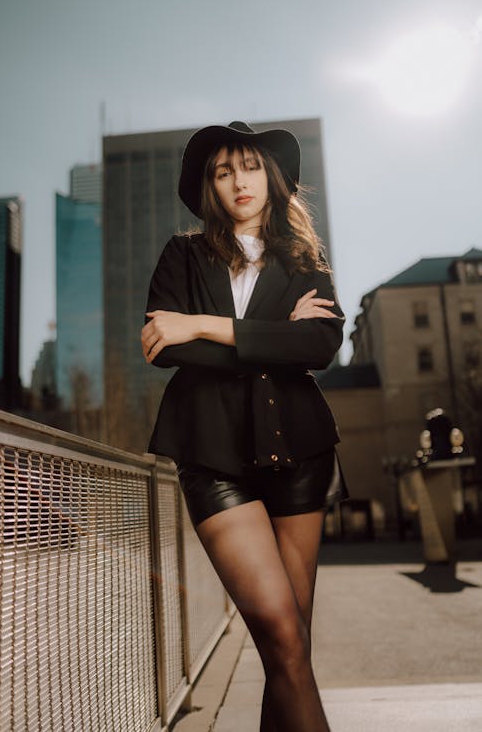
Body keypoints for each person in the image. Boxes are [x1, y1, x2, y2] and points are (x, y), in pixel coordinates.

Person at [140, 120, 350, 732]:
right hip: (212, 456)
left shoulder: (305, 257)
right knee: (282, 634)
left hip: (301, 455)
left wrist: (203, 325)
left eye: (250, 166)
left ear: (272, 176)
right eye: (224, 170)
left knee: (293, 648)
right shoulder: (183, 254)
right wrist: (274, 336)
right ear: (210, 185)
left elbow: (319, 346)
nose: (239, 181)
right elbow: (162, 345)